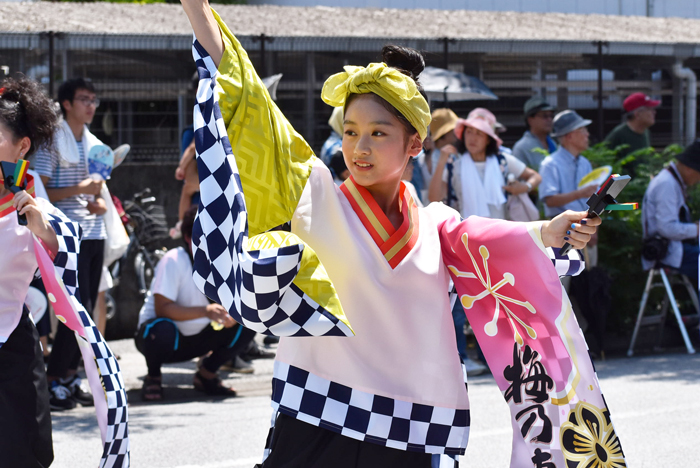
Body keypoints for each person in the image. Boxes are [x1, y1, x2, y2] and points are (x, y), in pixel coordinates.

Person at [181, 2, 624, 467]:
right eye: (350, 132)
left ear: (416, 143)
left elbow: (497, 240)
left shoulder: (436, 224)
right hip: (319, 414)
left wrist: (547, 231)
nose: (360, 147)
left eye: (378, 133)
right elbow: (249, 102)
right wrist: (197, 5)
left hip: (409, 425)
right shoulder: (314, 194)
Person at [0, 76, 60, 468]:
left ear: (22, 146)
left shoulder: (30, 193)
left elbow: (58, 252)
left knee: (23, 450)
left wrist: (40, 227)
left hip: (10, 338)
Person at [136, 206, 256, 401]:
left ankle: (206, 374)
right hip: (162, 339)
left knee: (248, 319)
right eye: (200, 238)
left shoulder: (223, 261)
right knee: (162, 329)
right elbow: (162, 309)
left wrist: (231, 315)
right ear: (187, 237)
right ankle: (153, 377)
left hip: (200, 337)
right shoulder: (174, 260)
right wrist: (206, 311)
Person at [35, 78, 103, 411]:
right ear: (66, 104)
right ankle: (54, 380)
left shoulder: (95, 143)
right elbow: (40, 191)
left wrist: (99, 203)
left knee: (86, 309)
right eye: (83, 99)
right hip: (64, 234)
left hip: (94, 231)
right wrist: (81, 189)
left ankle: (70, 377)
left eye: (94, 99)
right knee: (71, 308)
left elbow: (97, 193)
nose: (90, 105)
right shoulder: (51, 143)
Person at [428, 108, 541, 220]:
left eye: (479, 133)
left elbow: (535, 176)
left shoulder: (503, 161)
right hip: (466, 234)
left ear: (488, 139)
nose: (473, 138)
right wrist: (441, 162)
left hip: (501, 232)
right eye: (469, 132)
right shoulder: (455, 165)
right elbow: (434, 198)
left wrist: (525, 187)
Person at [642, 140, 700, 283]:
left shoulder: (672, 180)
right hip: (667, 252)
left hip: (677, 247)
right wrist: (697, 230)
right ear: (689, 168)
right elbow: (666, 228)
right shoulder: (667, 184)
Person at [539, 110, 598, 219]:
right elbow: (550, 200)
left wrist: (594, 226)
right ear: (570, 136)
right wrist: (579, 194)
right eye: (582, 130)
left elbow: (593, 196)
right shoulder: (550, 164)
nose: (587, 134)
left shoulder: (585, 163)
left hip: (586, 224)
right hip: (560, 227)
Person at [605, 92, 659, 162]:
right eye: (649, 109)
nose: (654, 112)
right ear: (637, 114)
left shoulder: (646, 132)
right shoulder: (619, 134)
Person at [512, 96, 557, 171]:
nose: (549, 119)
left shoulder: (553, 144)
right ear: (530, 120)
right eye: (544, 116)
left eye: (551, 116)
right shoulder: (521, 148)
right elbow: (518, 179)